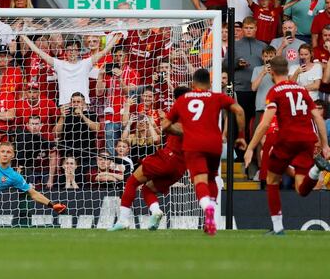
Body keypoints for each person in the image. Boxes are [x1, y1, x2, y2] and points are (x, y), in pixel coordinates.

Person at [244, 55, 330, 235]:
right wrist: (325, 145)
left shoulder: (275, 91)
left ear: (272, 72)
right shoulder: (302, 90)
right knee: (301, 189)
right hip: (307, 139)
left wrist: (251, 147)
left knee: (272, 180)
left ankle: (277, 227)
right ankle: (315, 170)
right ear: (286, 70)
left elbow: (265, 123)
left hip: (287, 140)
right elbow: (317, 118)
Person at [162, 68, 246, 236]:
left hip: (193, 145)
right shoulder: (217, 97)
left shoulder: (183, 99)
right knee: (212, 176)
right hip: (215, 144)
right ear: (209, 84)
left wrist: (180, 131)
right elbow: (239, 110)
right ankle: (211, 218)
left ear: (193, 84)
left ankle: (207, 207)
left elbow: (164, 125)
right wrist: (241, 136)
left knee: (200, 180)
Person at [110, 86, 191, 231]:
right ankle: (156, 211)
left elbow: (165, 132)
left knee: (131, 182)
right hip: (180, 167)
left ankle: (123, 220)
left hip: (167, 157)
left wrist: (164, 122)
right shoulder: (195, 118)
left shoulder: (180, 114)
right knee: (148, 189)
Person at [22, 32, 119, 106]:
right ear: (66, 52)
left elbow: (104, 52)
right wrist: (23, 36)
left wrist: (117, 36)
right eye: (69, 50)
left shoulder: (85, 63)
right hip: (66, 105)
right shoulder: (59, 64)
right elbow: (38, 51)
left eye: (74, 50)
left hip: (83, 105)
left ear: (78, 52)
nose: (72, 52)